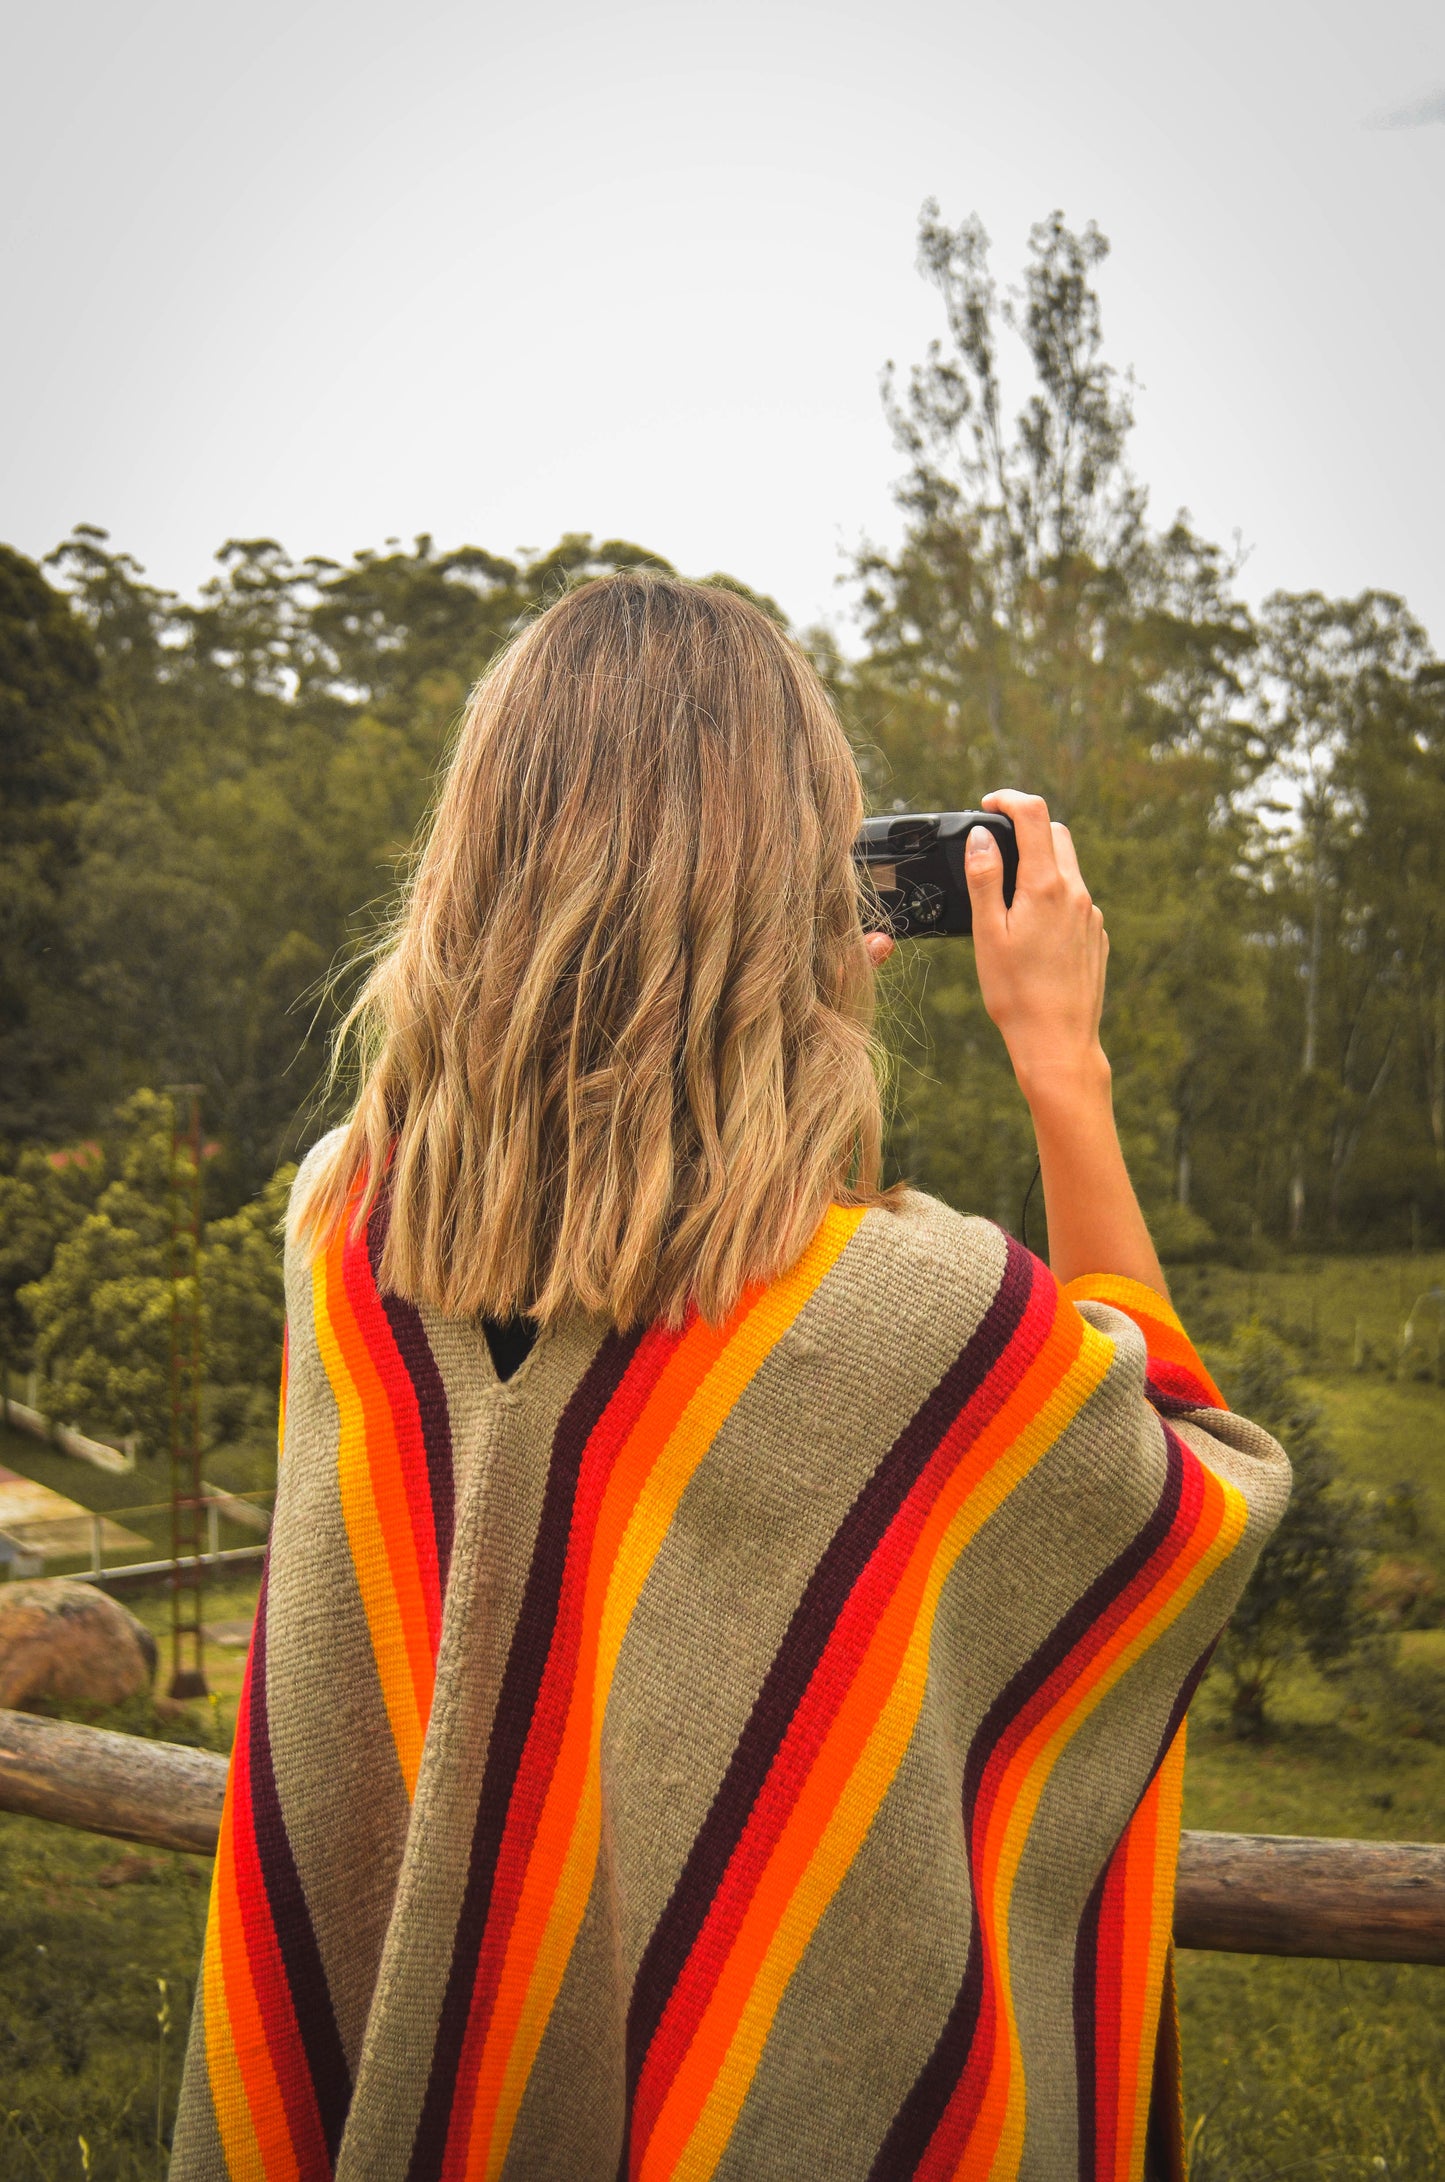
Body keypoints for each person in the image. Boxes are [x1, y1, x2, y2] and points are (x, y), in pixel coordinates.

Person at [171, 573, 1288, 2182]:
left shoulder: (344, 1224)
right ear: (796, 896)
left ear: (474, 862)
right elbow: (1190, 1490)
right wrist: (1061, 1060)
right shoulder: (912, 1320)